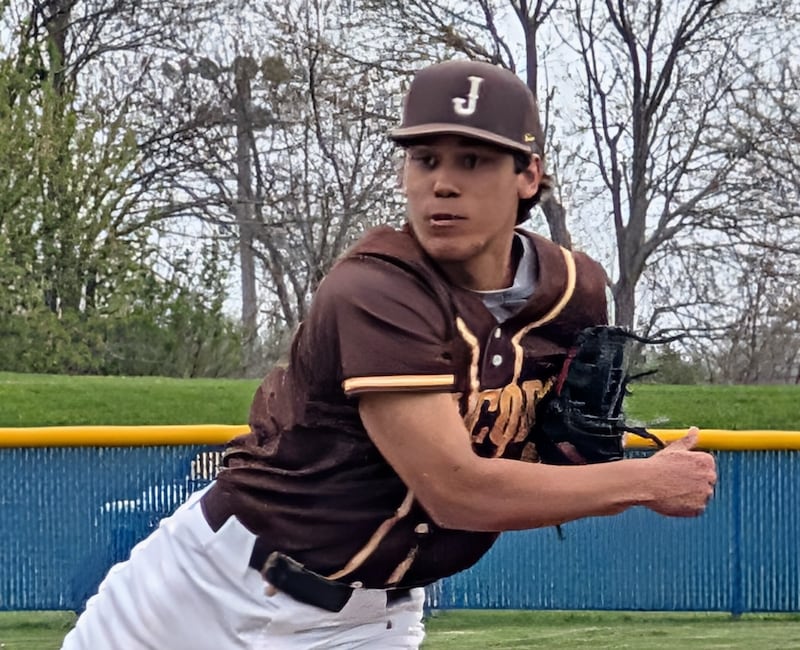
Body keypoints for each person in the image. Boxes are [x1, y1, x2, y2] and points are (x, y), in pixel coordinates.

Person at [62, 59, 717, 650]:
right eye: (425, 159)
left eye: (474, 160)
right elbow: (454, 490)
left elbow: (549, 451)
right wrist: (642, 480)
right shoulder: (374, 290)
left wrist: (571, 456)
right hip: (207, 589)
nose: (443, 184)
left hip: (367, 625)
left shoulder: (575, 293)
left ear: (529, 176)